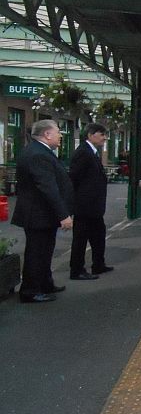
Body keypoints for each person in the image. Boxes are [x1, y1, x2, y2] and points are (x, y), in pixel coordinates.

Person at [11, 119, 74, 303]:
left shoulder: (39, 151)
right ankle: (30, 290)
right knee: (37, 252)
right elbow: (48, 187)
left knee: (45, 250)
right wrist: (63, 215)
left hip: (41, 214)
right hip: (38, 213)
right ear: (47, 134)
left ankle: (45, 283)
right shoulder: (38, 155)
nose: (61, 135)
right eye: (58, 132)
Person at [69, 123, 113, 280]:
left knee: (98, 235)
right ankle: (77, 270)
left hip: (93, 207)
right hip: (85, 206)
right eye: (101, 134)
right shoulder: (83, 153)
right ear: (90, 135)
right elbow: (74, 178)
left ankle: (98, 265)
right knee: (80, 239)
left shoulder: (92, 152)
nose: (104, 138)